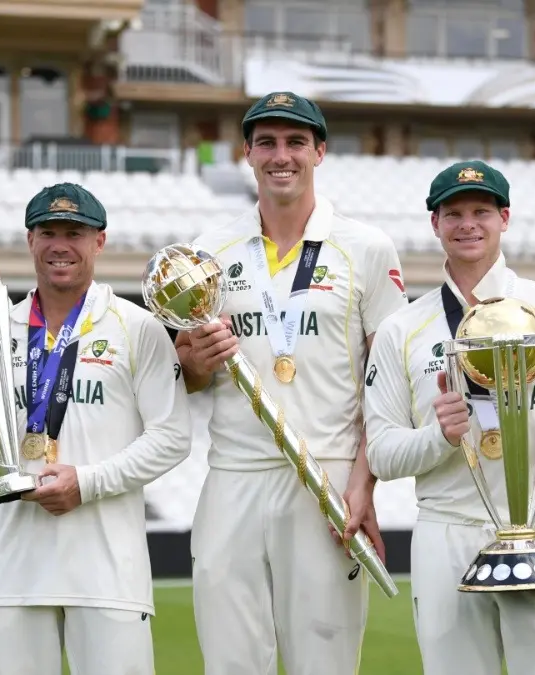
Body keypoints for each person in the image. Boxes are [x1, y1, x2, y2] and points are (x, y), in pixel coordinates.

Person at [364, 160, 535, 675]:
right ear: (435, 224)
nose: (468, 223)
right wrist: (438, 437)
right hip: (448, 531)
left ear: (504, 218)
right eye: (454, 213)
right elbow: (381, 452)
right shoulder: (402, 328)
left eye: (482, 211)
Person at [174, 91, 409, 675]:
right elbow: (189, 379)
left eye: (296, 142)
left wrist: (364, 484)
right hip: (234, 475)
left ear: (319, 152)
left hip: (325, 479)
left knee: (323, 662)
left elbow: (389, 384)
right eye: (268, 144)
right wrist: (196, 361)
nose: (282, 156)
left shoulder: (367, 248)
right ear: (247, 155)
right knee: (230, 663)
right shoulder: (208, 250)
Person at [0, 183, 191, 675]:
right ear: (30, 241)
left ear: (99, 241)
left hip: (108, 573)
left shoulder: (136, 327)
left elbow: (172, 438)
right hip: (13, 570)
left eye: (74, 233)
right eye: (48, 232)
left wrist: (87, 482)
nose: (60, 244)